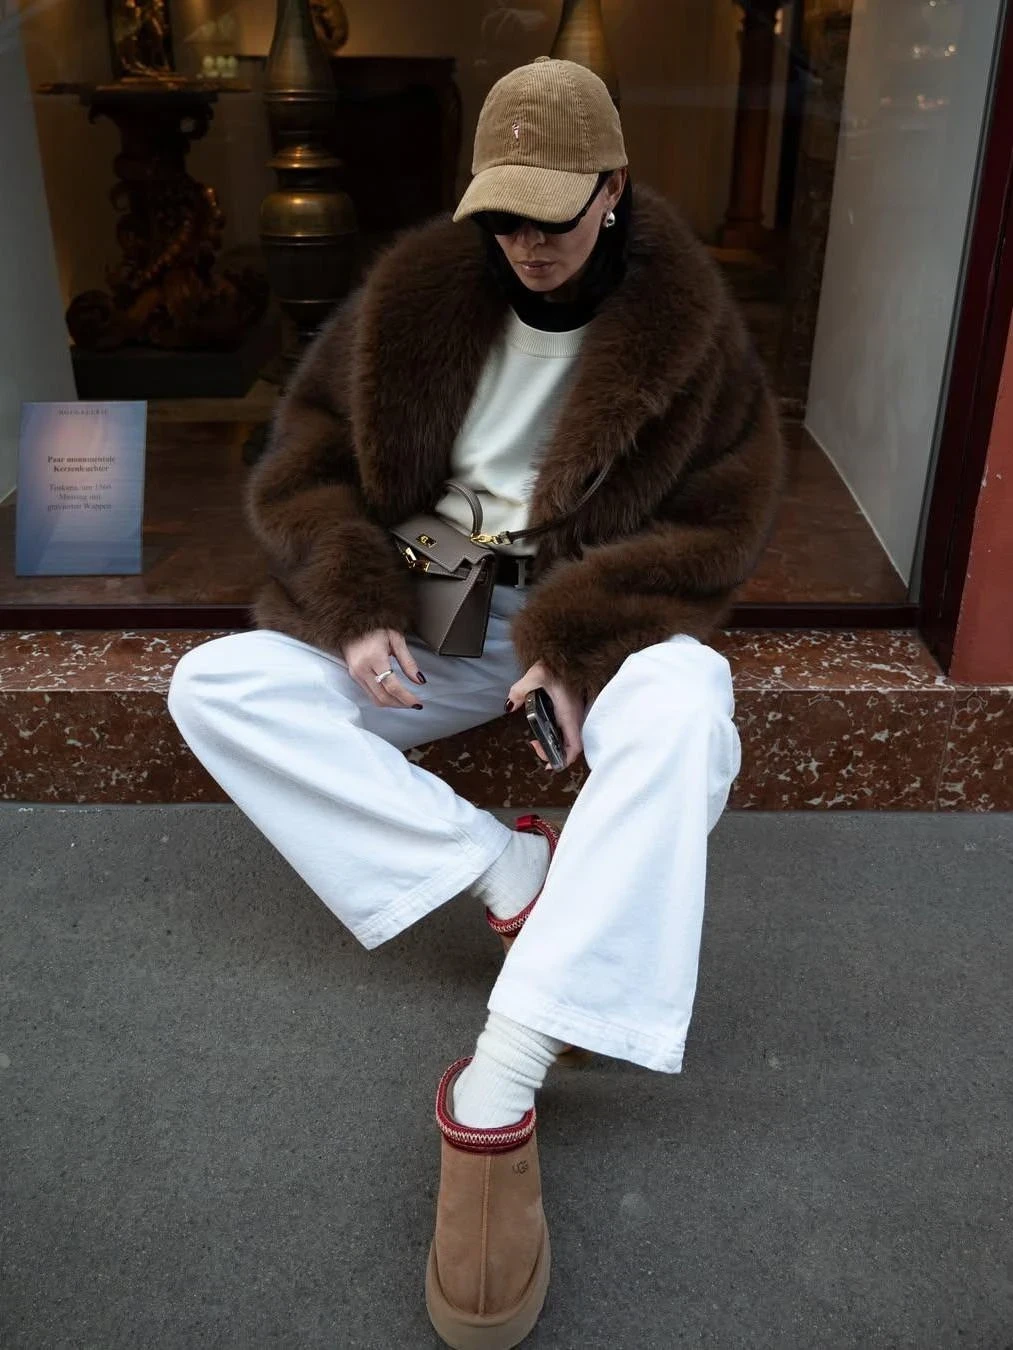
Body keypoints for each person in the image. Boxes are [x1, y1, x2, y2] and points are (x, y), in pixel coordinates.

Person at [168, 56, 783, 1350]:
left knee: (691, 707)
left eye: (551, 217)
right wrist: (355, 597)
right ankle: (508, 866)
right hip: (432, 615)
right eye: (501, 217)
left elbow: (719, 527)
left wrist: (579, 637)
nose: (525, 244)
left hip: (594, 619)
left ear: (612, 190)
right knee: (218, 684)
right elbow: (304, 465)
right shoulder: (409, 299)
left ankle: (503, 1074)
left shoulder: (691, 332)